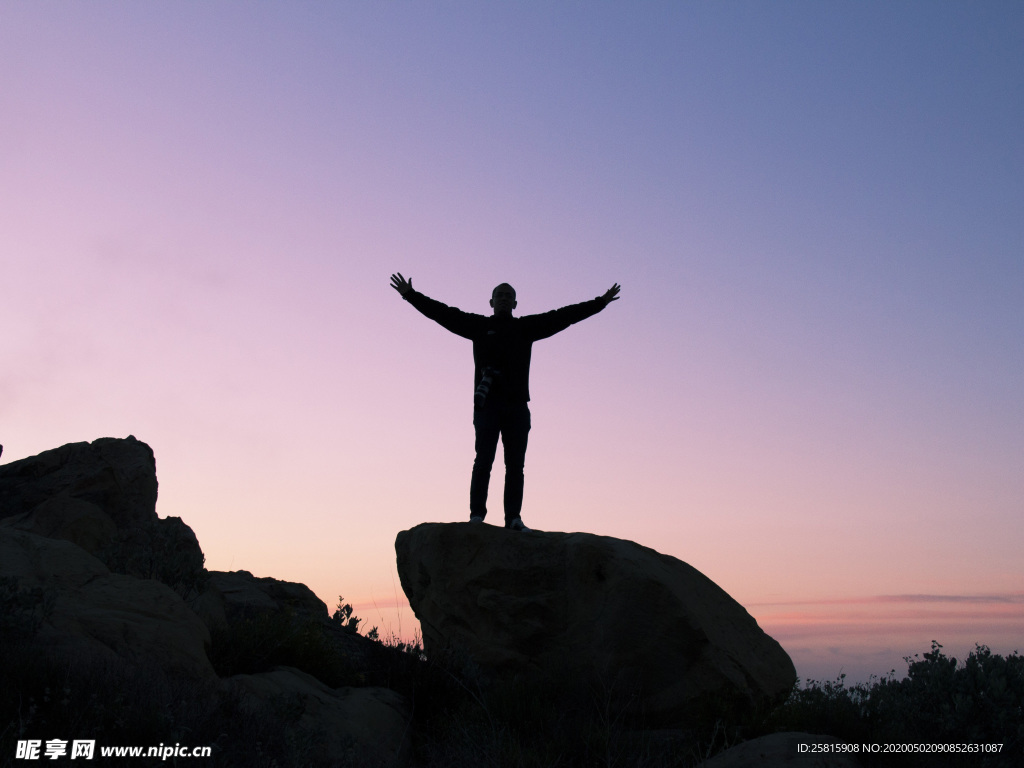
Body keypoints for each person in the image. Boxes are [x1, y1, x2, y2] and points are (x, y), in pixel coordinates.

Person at [390, 273, 620, 531]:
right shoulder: (478, 326)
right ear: (491, 302)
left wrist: (600, 303)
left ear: (515, 304)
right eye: (499, 295)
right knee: (483, 461)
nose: (503, 299)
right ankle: (477, 516)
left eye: (508, 296)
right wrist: (411, 295)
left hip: (517, 407)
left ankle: (513, 518)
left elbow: (563, 316)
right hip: (487, 405)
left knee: (515, 466)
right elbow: (443, 314)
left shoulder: (525, 328)